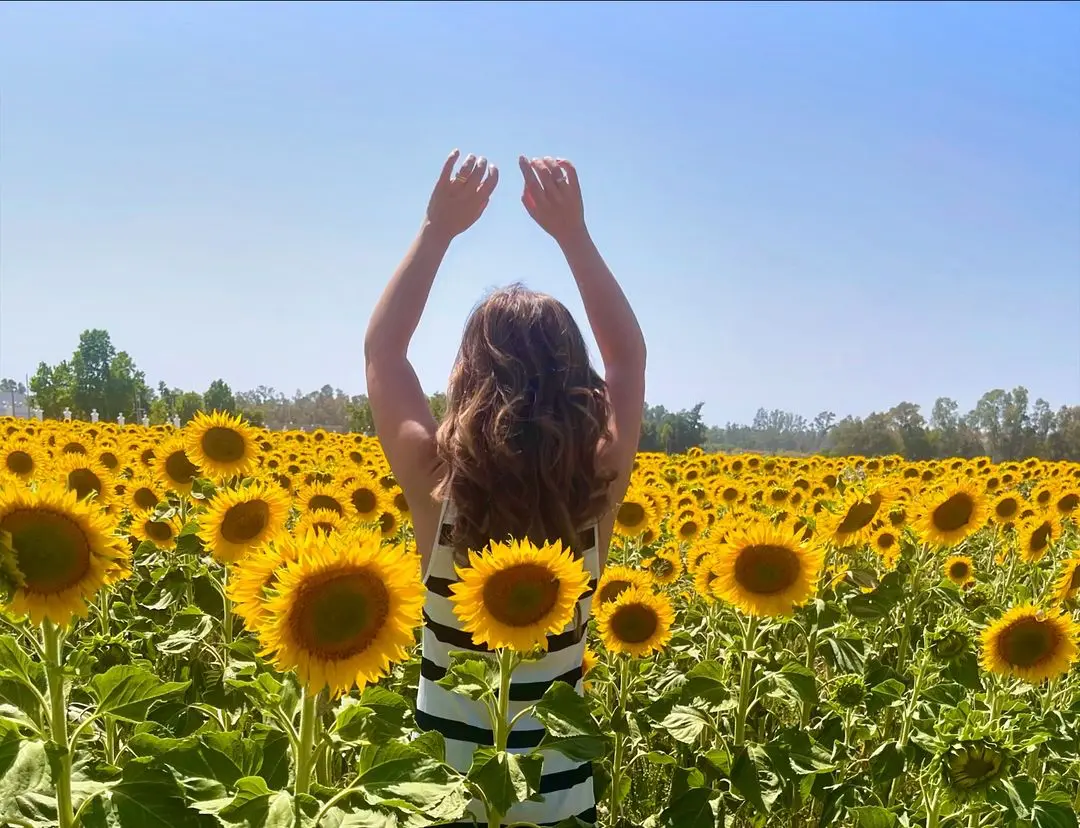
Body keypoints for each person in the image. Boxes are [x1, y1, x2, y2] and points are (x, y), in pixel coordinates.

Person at [364, 151, 646, 827]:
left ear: (468, 376)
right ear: (576, 378)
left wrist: (437, 230)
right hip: (561, 803)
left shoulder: (439, 486)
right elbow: (628, 358)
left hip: (447, 802)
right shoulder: (596, 488)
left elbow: (384, 353)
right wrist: (574, 235)